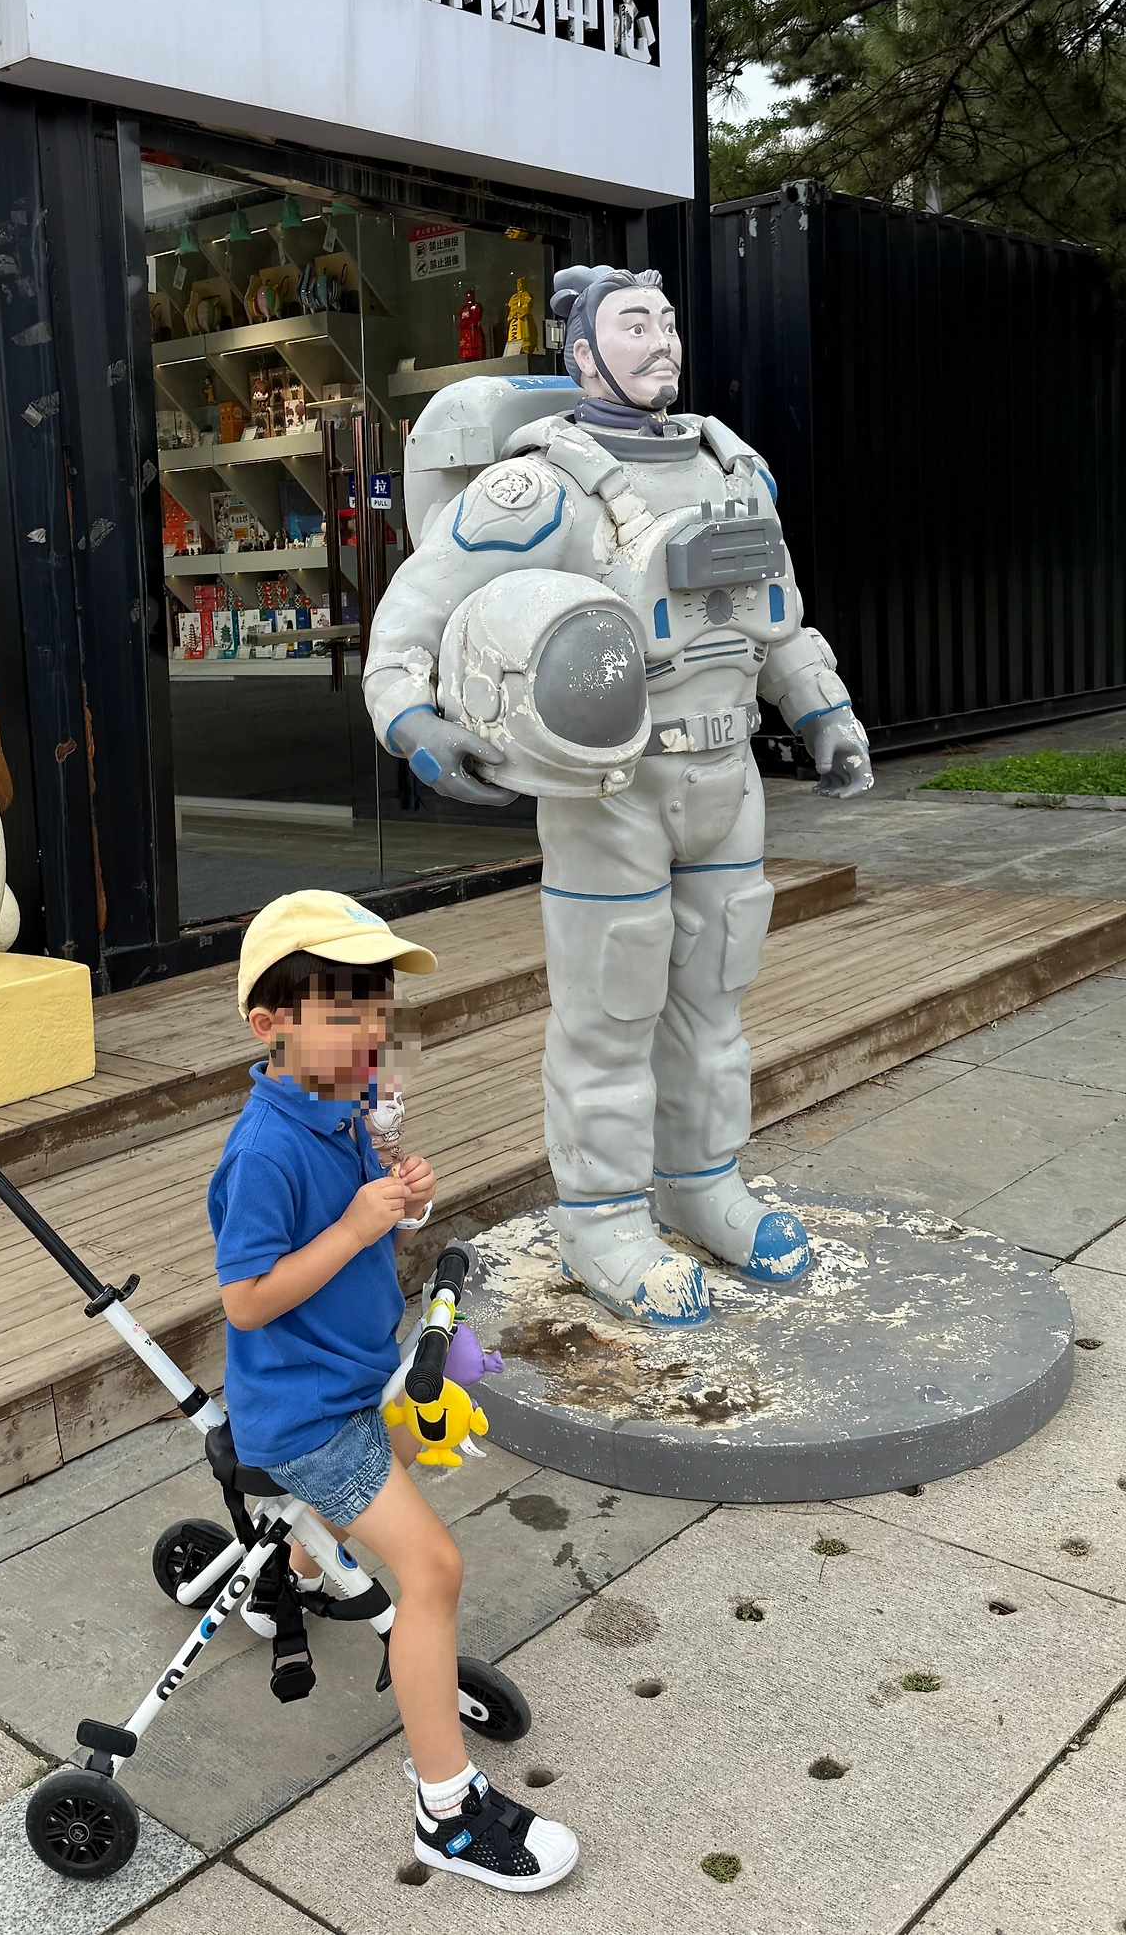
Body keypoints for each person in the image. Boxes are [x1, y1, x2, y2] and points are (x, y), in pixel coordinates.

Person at [363, 265, 873, 1328]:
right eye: (634, 324)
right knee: (610, 1012)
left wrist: (820, 709)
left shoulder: (732, 466)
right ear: (584, 353)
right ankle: (599, 1219)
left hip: (729, 778)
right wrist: (414, 723)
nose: (661, 341)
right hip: (610, 791)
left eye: (667, 322)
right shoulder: (539, 488)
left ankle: (703, 1184)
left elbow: (772, 616)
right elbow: (414, 611)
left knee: (713, 1003)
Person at [208, 889, 579, 1893]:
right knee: (434, 1570)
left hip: (361, 1370)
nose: (369, 1031)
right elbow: (245, 1300)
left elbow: (367, 1220)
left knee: (409, 1440)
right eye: (343, 1012)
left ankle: (294, 1567)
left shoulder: (342, 1103)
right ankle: (445, 1812)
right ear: (270, 1025)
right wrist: (357, 1225)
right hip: (307, 1412)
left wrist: (403, 1199)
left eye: (375, 1008)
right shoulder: (263, 1150)